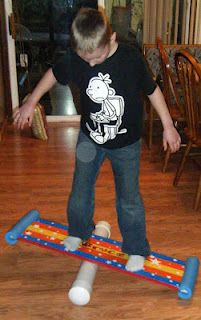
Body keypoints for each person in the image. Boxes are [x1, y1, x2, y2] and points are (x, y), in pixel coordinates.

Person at [13, 8, 181, 272]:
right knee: (80, 189)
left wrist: (169, 126)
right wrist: (30, 102)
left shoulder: (131, 59)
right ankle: (79, 231)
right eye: (85, 59)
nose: (90, 65)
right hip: (89, 139)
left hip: (127, 144)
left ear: (111, 39)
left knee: (129, 198)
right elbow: (53, 76)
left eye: (96, 58)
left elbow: (153, 91)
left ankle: (136, 247)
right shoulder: (78, 57)